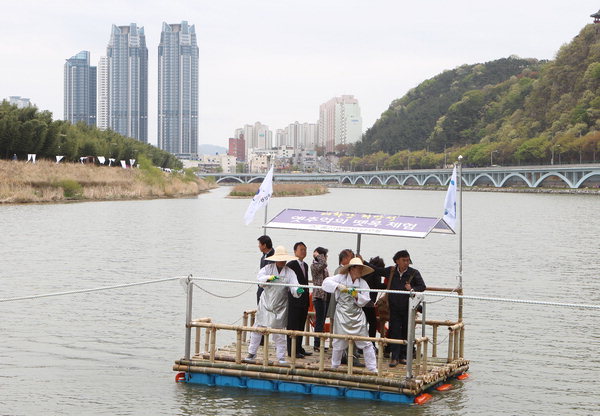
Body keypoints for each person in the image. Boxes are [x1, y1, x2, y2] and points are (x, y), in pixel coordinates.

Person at [246, 246, 303, 364]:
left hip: (280, 305)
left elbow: (294, 285)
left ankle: (281, 357)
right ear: (276, 259)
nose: (282, 261)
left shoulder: (290, 272)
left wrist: (297, 290)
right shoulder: (268, 268)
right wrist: (269, 278)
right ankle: (252, 352)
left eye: (284, 259)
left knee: (279, 333)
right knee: (257, 329)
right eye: (280, 259)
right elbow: (259, 279)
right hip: (266, 303)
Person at [322, 257, 378, 373]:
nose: (360, 271)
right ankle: (334, 366)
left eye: (361, 269)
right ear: (351, 269)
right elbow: (326, 282)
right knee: (338, 342)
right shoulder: (340, 278)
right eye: (358, 268)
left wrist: (357, 295)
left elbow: (366, 299)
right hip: (342, 314)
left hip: (357, 315)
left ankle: (372, 368)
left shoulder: (362, 283)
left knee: (366, 343)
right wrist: (338, 286)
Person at [371, 250, 426, 367]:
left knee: (406, 331)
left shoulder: (413, 273)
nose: (406, 263)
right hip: (394, 308)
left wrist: (412, 288)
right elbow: (377, 270)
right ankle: (394, 357)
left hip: (408, 308)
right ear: (397, 261)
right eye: (404, 260)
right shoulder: (391, 271)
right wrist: (363, 261)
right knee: (394, 331)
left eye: (407, 260)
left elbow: (422, 286)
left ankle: (403, 356)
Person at [286, 242, 313, 358]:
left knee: (301, 324)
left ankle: (299, 347)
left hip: (304, 300)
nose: (303, 252)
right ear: (295, 251)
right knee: (293, 325)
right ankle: (292, 350)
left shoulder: (305, 265)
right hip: (294, 300)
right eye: (301, 249)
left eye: (305, 250)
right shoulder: (291, 264)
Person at [361, 256, 386, 340]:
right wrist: (387, 285)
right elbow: (378, 286)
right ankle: (371, 342)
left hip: (361, 300)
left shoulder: (365, 272)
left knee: (363, 322)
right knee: (373, 323)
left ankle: (362, 341)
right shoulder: (376, 274)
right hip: (369, 301)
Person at [310, 246, 329, 352]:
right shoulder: (314, 266)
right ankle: (316, 344)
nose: (326, 258)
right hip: (318, 296)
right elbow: (324, 264)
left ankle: (320, 343)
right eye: (324, 255)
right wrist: (318, 256)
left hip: (324, 295)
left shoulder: (322, 266)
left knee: (321, 321)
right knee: (319, 321)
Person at [256, 235, 275, 303]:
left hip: (270, 290)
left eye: (259, 244)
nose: (258, 246)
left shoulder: (274, 257)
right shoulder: (263, 256)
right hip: (261, 287)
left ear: (264, 245)